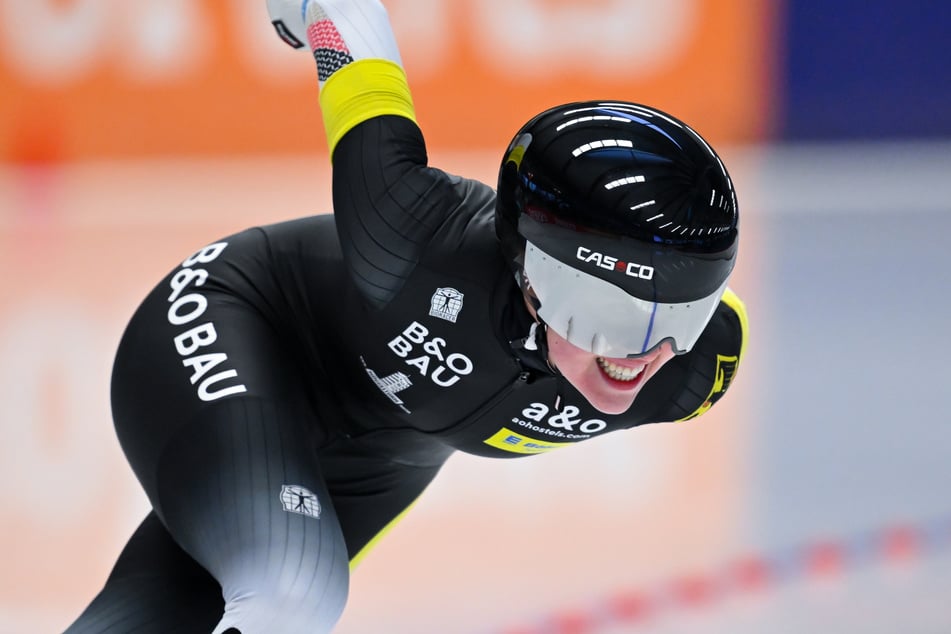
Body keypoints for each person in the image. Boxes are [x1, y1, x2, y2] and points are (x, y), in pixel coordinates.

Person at [65, 0, 748, 632]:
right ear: (527, 269)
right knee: (289, 589)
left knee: (178, 610)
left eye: (679, 319)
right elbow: (345, 19)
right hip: (242, 324)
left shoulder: (692, 371)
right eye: (604, 315)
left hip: (381, 447)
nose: (640, 355)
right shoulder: (413, 237)